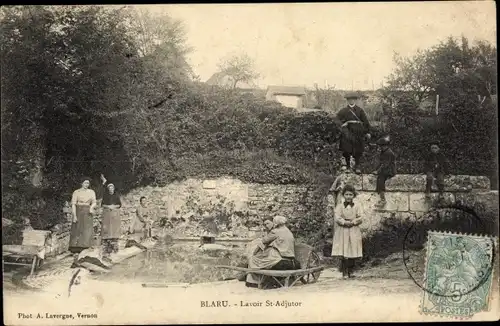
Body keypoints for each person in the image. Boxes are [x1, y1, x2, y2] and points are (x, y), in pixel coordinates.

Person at [245, 215, 299, 288]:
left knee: (254, 259)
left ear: (275, 223)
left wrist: (255, 253)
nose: (266, 226)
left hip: (280, 261)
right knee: (264, 256)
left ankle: (253, 281)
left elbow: (263, 242)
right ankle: (256, 280)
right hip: (291, 261)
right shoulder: (288, 231)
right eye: (265, 224)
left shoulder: (275, 232)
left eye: (269, 223)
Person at [331, 184, 363, 278]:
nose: (348, 196)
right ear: (343, 195)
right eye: (347, 194)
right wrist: (344, 222)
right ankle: (344, 272)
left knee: (353, 248)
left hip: (353, 229)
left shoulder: (357, 206)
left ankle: (351, 271)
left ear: (353, 196)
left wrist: (354, 222)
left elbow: (360, 217)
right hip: (343, 230)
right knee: (344, 250)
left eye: (350, 195)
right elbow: (337, 217)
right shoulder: (340, 206)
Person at [335, 92, 371, 174]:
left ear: (355, 100)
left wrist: (367, 132)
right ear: (347, 100)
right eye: (349, 99)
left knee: (358, 150)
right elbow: (336, 119)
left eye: (353, 99)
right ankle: (348, 166)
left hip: (358, 131)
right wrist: (342, 124)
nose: (351, 101)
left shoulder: (360, 110)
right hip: (347, 131)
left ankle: (357, 166)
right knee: (346, 149)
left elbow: (365, 122)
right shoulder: (344, 110)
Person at [69, 177, 97, 254]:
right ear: (81, 183)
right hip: (78, 211)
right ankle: (76, 247)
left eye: (88, 183)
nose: (86, 185)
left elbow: (94, 202)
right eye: (85, 183)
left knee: (87, 229)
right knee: (77, 228)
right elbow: (73, 204)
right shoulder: (76, 192)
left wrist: (91, 208)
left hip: (87, 212)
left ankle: (86, 246)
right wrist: (74, 215)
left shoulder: (91, 192)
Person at [100, 174, 122, 260]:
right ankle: (106, 248)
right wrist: (108, 207)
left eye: (112, 188)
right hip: (107, 214)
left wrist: (114, 207)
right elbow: (102, 204)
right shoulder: (106, 196)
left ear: (114, 189)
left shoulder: (116, 195)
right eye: (109, 188)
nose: (111, 189)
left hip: (115, 214)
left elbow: (119, 204)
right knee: (107, 229)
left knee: (114, 229)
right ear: (108, 189)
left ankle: (115, 247)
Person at [372, 135, 396, 207]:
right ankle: (381, 197)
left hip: (390, 170)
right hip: (386, 169)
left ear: (384, 146)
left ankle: (383, 200)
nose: (379, 148)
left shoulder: (388, 153)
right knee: (379, 178)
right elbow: (380, 163)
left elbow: (385, 164)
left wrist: (378, 171)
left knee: (380, 179)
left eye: (380, 146)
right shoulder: (384, 151)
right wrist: (376, 169)